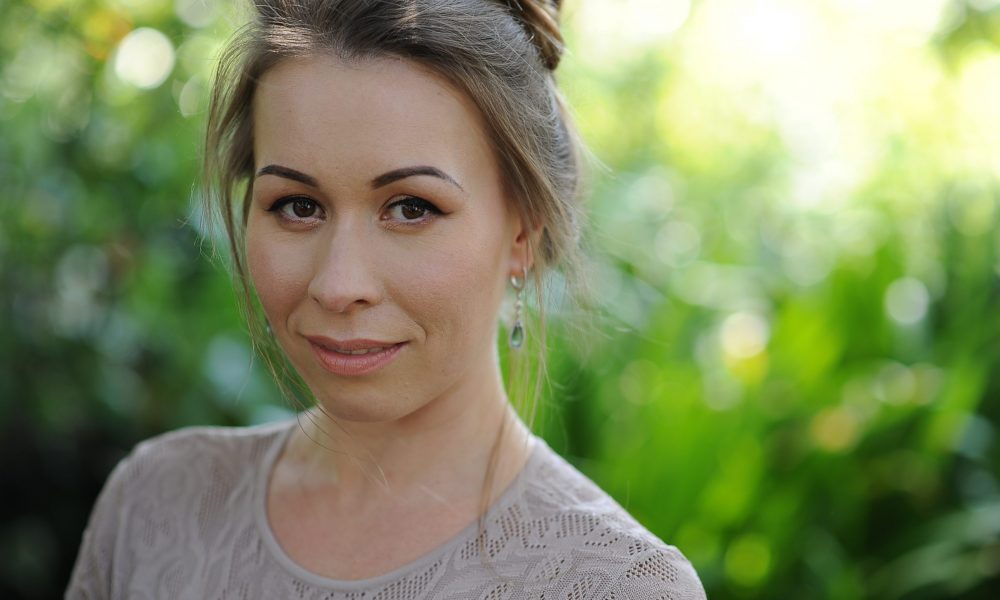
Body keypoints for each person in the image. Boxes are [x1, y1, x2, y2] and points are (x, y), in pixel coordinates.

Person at [67, 1, 706, 598]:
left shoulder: (618, 585)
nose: (338, 285)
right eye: (298, 206)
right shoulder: (154, 509)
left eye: (411, 208)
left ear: (523, 232)